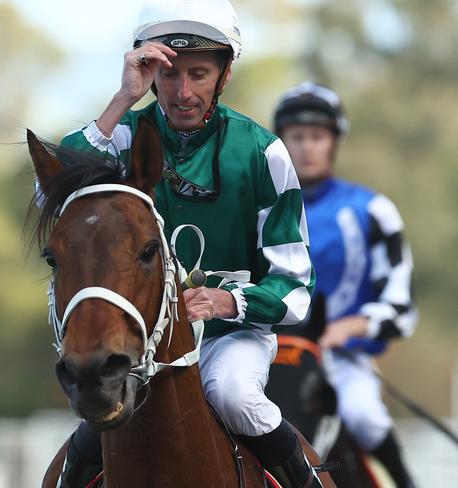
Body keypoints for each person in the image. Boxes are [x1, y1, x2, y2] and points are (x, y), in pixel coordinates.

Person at [53, 1, 321, 487]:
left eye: (198, 74)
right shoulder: (124, 134)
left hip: (231, 337)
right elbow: (51, 187)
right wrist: (122, 97)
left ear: (225, 74)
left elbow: (295, 287)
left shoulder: (263, 153)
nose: (182, 92)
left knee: (235, 396)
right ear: (150, 73)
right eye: (169, 75)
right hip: (143, 338)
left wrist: (228, 301)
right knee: (96, 414)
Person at [274, 81, 418, 488]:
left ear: (334, 142)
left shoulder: (373, 210)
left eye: (317, 136)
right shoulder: (259, 207)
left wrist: (348, 328)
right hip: (265, 350)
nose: (306, 147)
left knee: (364, 416)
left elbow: (401, 307)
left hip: (341, 357)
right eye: (296, 137)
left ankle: (406, 480)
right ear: (281, 142)